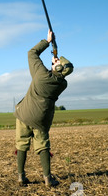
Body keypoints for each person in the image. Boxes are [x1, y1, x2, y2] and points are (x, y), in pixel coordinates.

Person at [14, 30, 74, 187]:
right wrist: (56, 64)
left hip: (24, 114)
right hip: (41, 119)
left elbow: (32, 53)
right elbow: (57, 74)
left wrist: (47, 42)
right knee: (43, 146)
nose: (54, 62)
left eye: (56, 63)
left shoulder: (41, 74)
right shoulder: (62, 84)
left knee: (21, 144)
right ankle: (48, 178)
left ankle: (21, 177)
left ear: (57, 68)